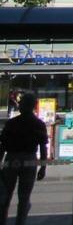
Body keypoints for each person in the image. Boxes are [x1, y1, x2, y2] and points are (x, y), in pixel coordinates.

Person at [0, 92, 48, 225]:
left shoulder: (12, 123)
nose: (19, 105)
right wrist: (43, 167)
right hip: (30, 160)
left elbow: (3, 145)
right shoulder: (39, 124)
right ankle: (20, 222)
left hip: (11, 160)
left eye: (20, 103)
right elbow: (43, 147)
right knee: (24, 198)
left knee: (5, 197)